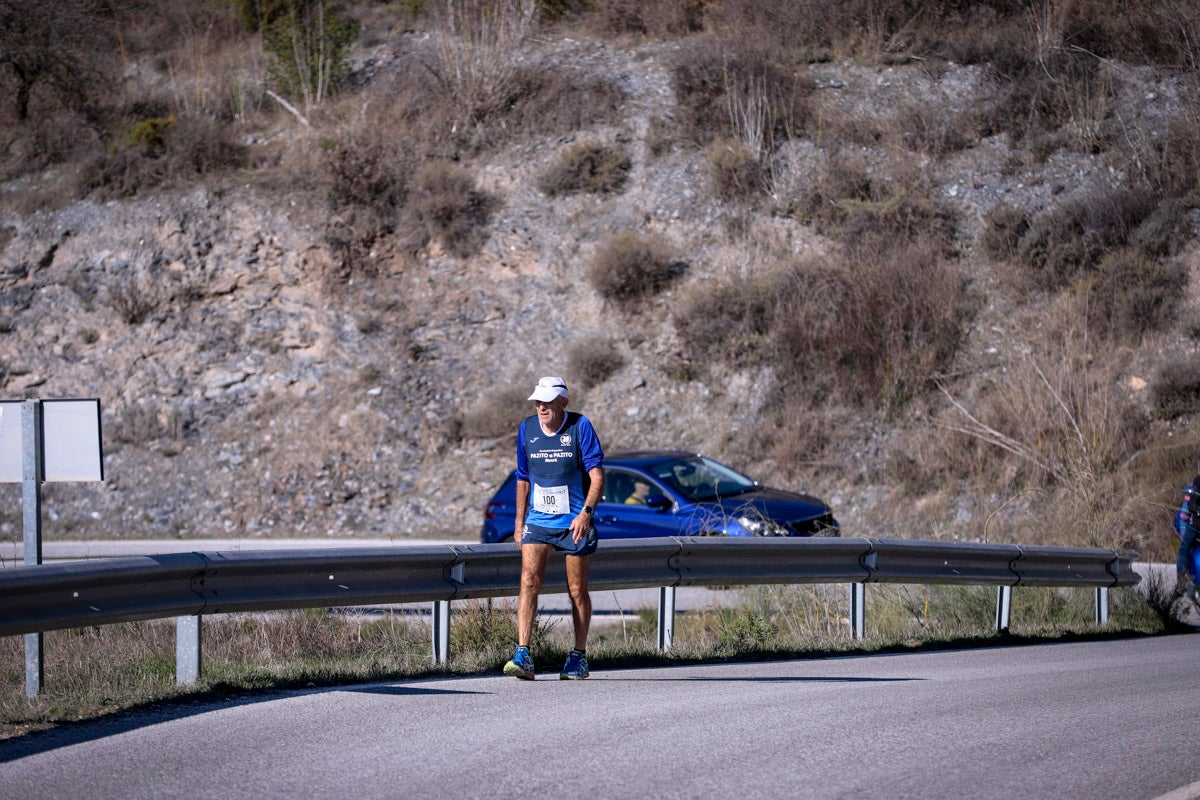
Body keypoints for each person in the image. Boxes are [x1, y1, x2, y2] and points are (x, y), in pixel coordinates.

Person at [504, 376, 604, 681]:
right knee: (528, 580)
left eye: (547, 402)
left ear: (563, 402)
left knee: (577, 590)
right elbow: (522, 477)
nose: (541, 407)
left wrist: (586, 513)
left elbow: (597, 476)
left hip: (573, 522)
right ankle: (523, 654)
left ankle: (578, 656)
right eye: (538, 401)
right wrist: (519, 522)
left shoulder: (580, 426)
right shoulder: (527, 429)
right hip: (538, 520)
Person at [1176, 465, 1200, 605]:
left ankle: (1181, 583)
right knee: (1184, 549)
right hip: (1196, 527)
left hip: (1196, 527)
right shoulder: (1196, 484)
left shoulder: (1196, 482)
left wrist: (1183, 532)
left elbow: (1186, 511)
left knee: (1183, 551)